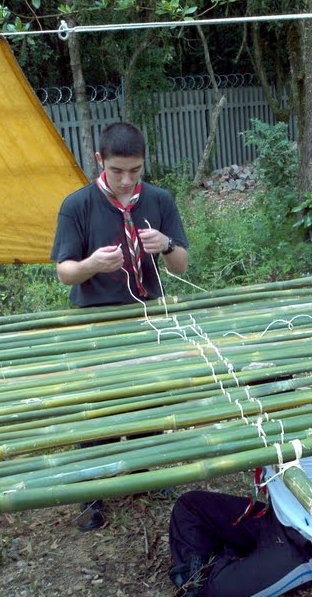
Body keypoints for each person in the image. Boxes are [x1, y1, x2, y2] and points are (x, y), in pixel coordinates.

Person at [50, 121, 189, 530]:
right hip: (96, 323)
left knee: (148, 398)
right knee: (99, 407)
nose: (127, 180)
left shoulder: (159, 200)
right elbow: (65, 272)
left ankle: (144, 473)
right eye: (117, 171)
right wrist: (91, 265)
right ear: (100, 161)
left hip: (147, 319)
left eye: (135, 171)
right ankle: (91, 492)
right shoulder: (77, 205)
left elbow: (181, 265)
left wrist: (166, 245)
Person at [168, 452, 312, 596]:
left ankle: (210, 572)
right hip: (278, 518)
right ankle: (204, 574)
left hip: (311, 543)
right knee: (190, 507)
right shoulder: (263, 419)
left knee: (219, 592)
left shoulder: (291, 421)